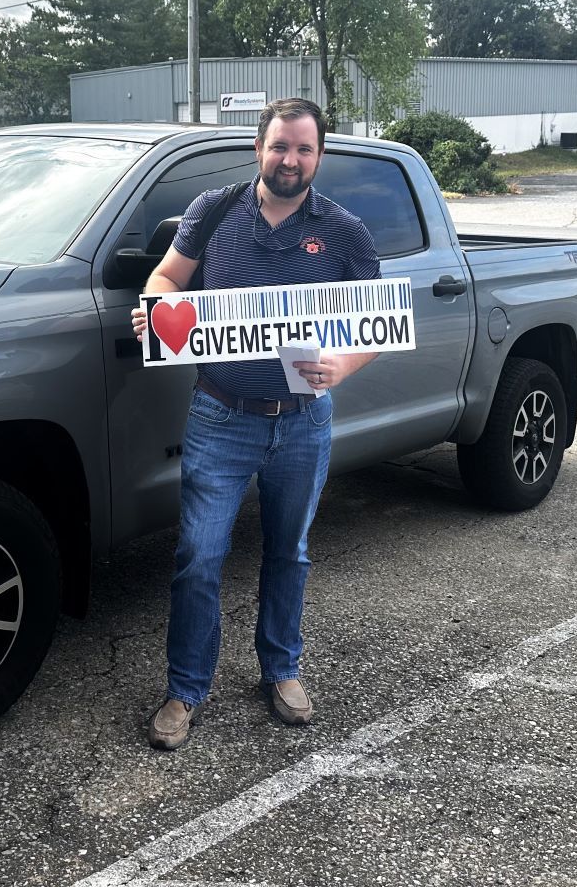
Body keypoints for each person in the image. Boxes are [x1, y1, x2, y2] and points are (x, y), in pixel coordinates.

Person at [130, 97, 381, 751]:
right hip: (220, 417)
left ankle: (282, 669)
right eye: (279, 146)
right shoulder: (213, 212)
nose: (289, 159)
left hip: (303, 422)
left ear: (318, 156)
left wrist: (342, 365)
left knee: (289, 553)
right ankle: (185, 689)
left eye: (302, 149)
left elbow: (376, 321)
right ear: (258, 147)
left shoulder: (347, 231)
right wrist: (160, 312)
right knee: (197, 557)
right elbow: (166, 276)